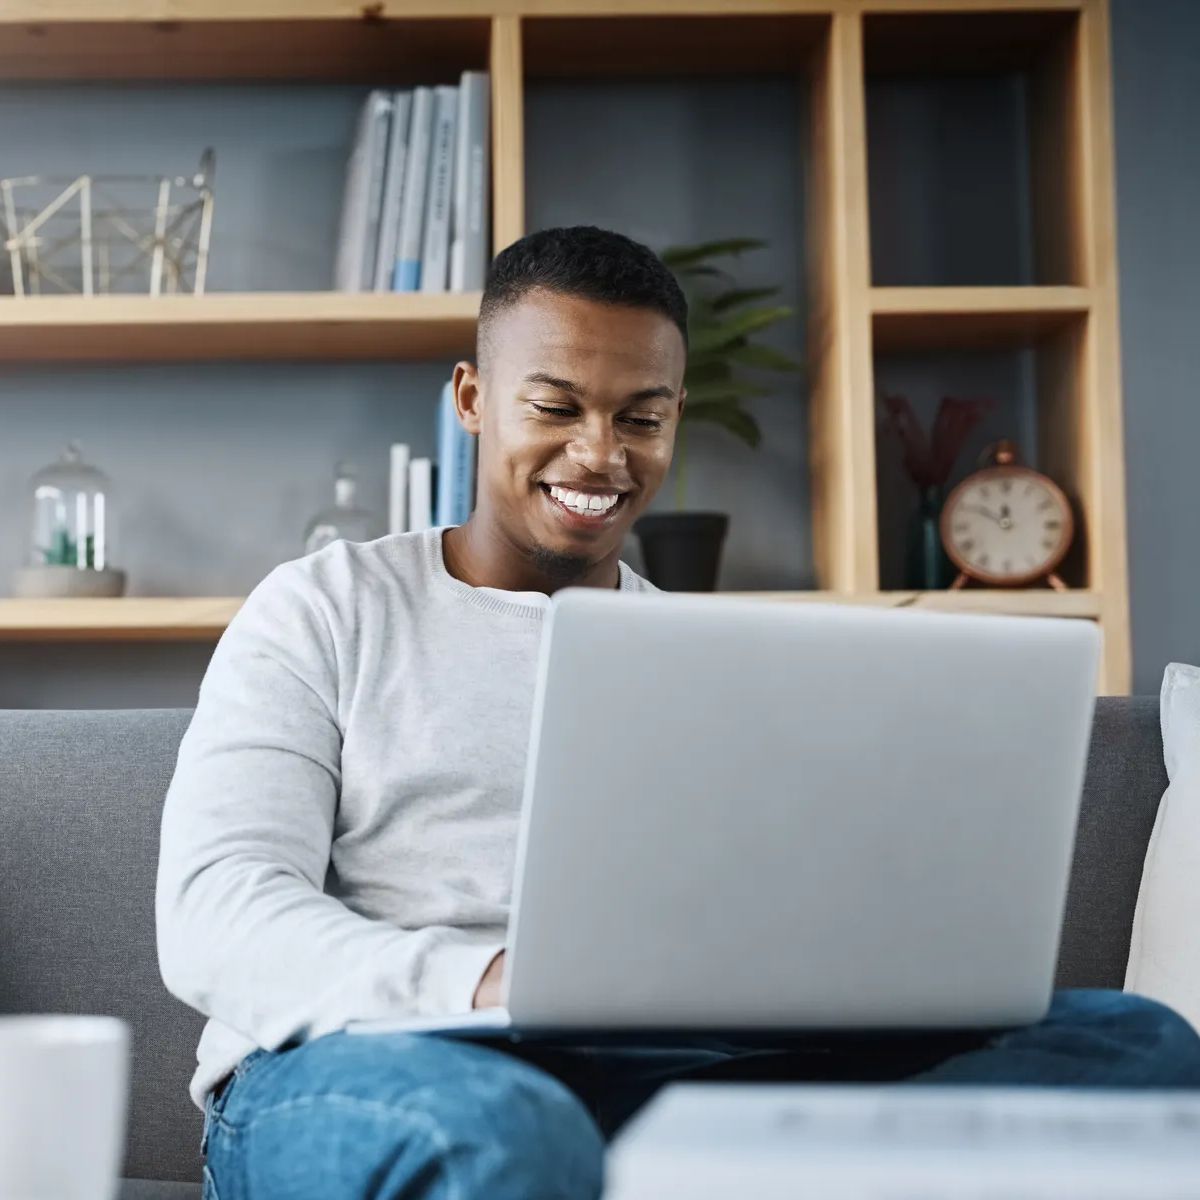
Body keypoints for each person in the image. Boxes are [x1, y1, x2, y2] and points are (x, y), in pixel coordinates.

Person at [157, 225, 1200, 1200]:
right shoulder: (328, 604)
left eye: (641, 418)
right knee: (499, 1128)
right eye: (556, 408)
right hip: (364, 1065)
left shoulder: (706, 658)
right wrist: (484, 982)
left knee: (1135, 1044)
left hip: (661, 1060)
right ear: (473, 398)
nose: (602, 454)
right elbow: (216, 914)